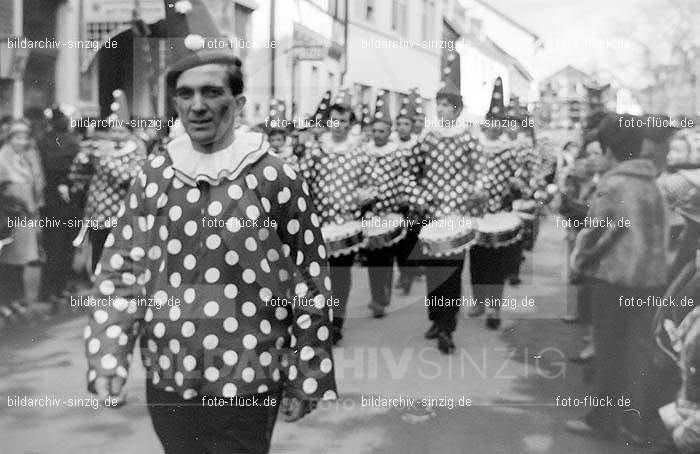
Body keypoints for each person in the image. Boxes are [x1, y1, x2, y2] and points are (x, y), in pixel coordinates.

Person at [83, 49, 337, 454]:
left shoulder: (276, 176)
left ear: (237, 103)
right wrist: (108, 353)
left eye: (211, 92)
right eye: (185, 94)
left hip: (249, 375)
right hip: (169, 374)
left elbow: (308, 280)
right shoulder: (154, 175)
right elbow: (121, 270)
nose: (197, 106)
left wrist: (306, 374)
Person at [566, 113, 670, 446]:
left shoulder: (613, 184)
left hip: (615, 281)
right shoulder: (652, 184)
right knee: (640, 353)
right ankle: (635, 426)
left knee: (609, 353)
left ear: (609, 147)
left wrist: (579, 263)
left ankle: (603, 421)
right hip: (651, 282)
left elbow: (598, 234)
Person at [406, 49, 486, 353]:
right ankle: (435, 319)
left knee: (452, 271)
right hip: (430, 214)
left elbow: (480, 172)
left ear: (457, 109)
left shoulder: (468, 138)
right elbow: (408, 173)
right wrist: (418, 198)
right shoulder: (426, 138)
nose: (441, 110)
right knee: (433, 271)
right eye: (438, 104)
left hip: (458, 216)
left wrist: (475, 192)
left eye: (446, 105)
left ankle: (448, 327)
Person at [299, 102, 372, 344]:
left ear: (350, 124)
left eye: (343, 121)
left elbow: (371, 183)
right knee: (317, 276)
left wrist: (366, 195)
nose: (337, 126)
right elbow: (302, 180)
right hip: (319, 224)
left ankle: (337, 322)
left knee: (341, 276)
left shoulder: (359, 152)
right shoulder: (317, 150)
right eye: (333, 121)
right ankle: (320, 318)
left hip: (347, 225)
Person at [68, 111, 147, 272]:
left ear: (129, 134)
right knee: (97, 248)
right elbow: (77, 173)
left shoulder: (136, 152)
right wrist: (84, 157)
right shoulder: (101, 148)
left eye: (121, 131)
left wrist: (105, 160)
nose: (116, 135)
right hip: (97, 212)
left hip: (120, 212)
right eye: (113, 131)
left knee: (117, 250)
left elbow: (129, 177)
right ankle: (95, 282)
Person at [37, 107, 82, 310]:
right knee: (55, 244)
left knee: (66, 244)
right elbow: (53, 165)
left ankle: (60, 286)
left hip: (70, 199)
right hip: (54, 200)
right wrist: (63, 180)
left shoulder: (69, 140)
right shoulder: (47, 141)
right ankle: (49, 290)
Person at [0, 120, 45, 312]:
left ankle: (16, 298)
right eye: (17, 137)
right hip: (11, 213)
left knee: (21, 259)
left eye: (25, 137)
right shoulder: (3, 157)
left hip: (26, 213)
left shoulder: (25, 158)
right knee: (9, 259)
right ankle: (5, 300)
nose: (22, 141)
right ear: (9, 138)